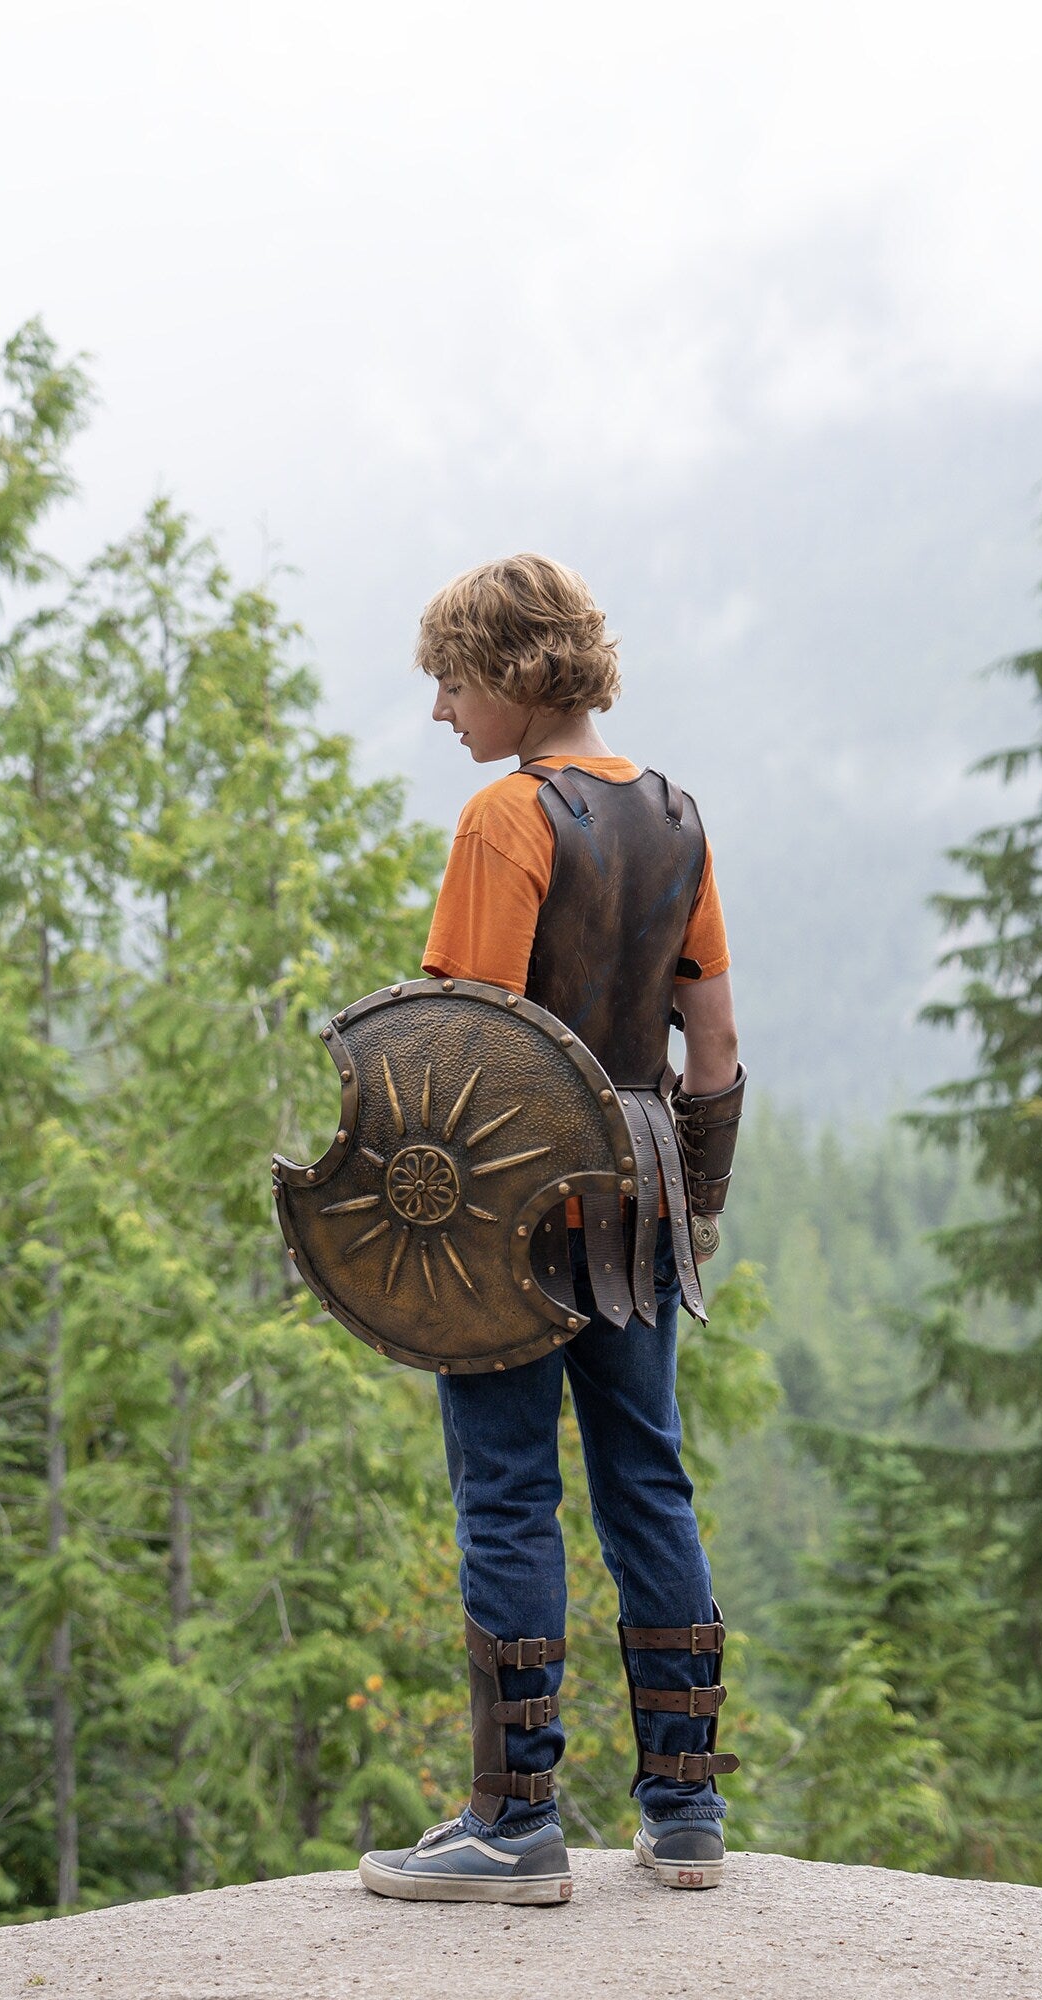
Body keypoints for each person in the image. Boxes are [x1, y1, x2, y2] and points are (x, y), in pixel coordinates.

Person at [356, 554, 747, 1906]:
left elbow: (456, 1050)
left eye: (453, 681)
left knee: (509, 1487)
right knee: (648, 1479)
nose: (443, 712)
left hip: (513, 1206)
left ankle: (514, 1825)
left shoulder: (505, 822)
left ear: (521, 671)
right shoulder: (677, 817)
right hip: (636, 1194)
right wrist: (692, 1208)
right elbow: (715, 1041)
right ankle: (686, 1809)